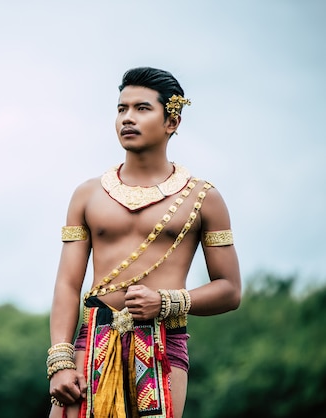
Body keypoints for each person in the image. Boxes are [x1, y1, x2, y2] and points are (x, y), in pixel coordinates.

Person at [47, 67, 241, 418]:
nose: (127, 118)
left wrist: (165, 302)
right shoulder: (87, 195)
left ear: (172, 121)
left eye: (142, 108)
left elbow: (230, 290)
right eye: (122, 109)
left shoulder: (203, 198)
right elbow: (67, 283)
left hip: (164, 344)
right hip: (92, 342)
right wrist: (60, 360)